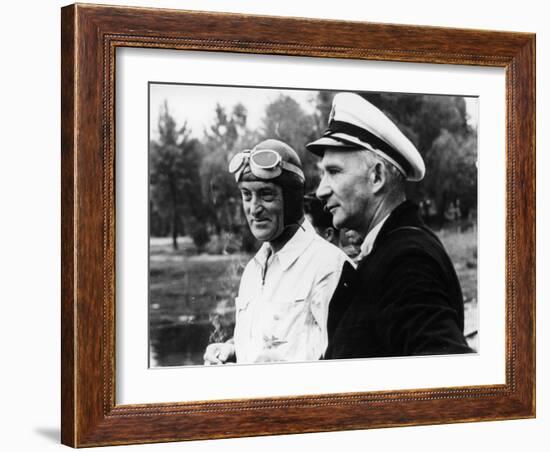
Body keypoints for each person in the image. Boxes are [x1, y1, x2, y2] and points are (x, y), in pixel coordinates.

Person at [306, 92, 472, 358]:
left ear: (377, 177)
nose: (321, 190)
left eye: (334, 172)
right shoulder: (387, 249)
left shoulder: (408, 260)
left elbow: (447, 365)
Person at [204, 139, 350, 364]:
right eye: (246, 195)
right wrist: (232, 351)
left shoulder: (329, 266)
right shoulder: (252, 270)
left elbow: (344, 364)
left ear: (292, 200)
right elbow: (269, 341)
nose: (254, 209)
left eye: (266, 195)